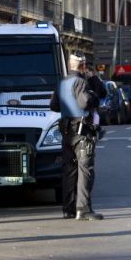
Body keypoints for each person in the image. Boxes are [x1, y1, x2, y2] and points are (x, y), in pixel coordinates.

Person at [50, 52, 104, 220]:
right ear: (82, 66)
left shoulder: (62, 82)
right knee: (85, 170)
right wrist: (93, 95)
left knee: (69, 171)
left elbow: (54, 105)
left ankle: (68, 209)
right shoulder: (80, 82)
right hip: (82, 131)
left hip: (67, 131)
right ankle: (83, 208)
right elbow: (85, 102)